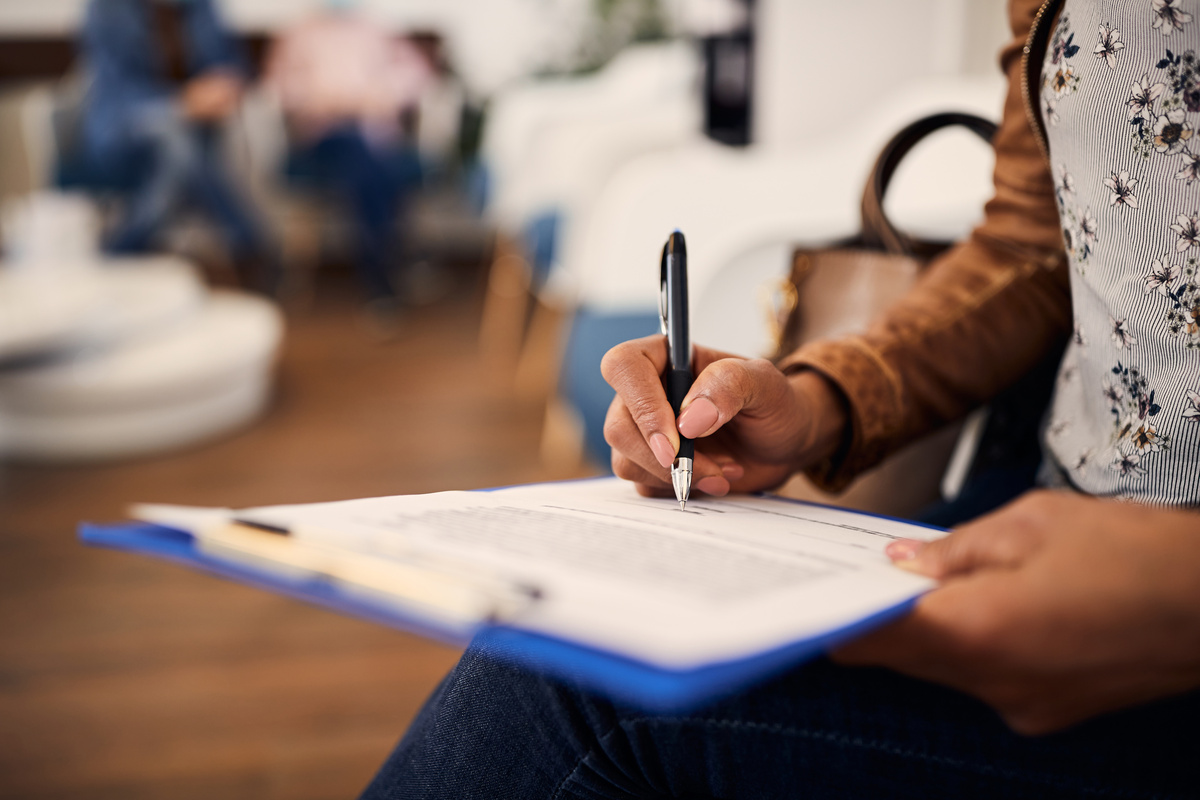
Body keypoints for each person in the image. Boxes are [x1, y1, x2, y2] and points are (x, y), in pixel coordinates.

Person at [359, 0, 1200, 796]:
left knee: (577, 688)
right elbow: (1032, 245)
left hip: (1150, 611)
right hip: (1038, 508)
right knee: (593, 636)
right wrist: (817, 400)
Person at [78, 0, 278, 292]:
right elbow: (117, 86)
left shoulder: (202, 7)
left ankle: (116, 256)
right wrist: (181, 103)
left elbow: (232, 60)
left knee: (181, 152)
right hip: (124, 128)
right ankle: (250, 245)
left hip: (194, 133)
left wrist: (224, 83)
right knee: (179, 144)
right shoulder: (107, 9)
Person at [263, 0, 433, 311]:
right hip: (323, 137)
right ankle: (388, 269)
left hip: (374, 135)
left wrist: (382, 93)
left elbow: (415, 75)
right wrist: (322, 99)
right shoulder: (300, 32)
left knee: (370, 162)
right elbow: (280, 85)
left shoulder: (377, 29)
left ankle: (380, 275)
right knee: (365, 157)